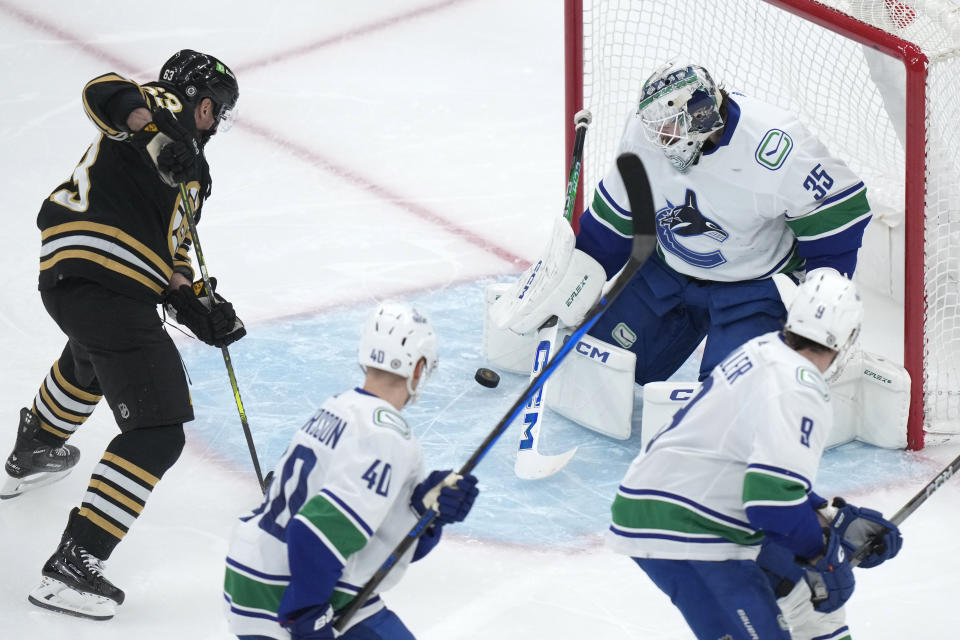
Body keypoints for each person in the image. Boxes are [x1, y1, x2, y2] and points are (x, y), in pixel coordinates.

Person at [0, 49, 246, 620]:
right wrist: (157, 135)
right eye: (218, 112)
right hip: (104, 278)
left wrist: (199, 306)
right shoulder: (164, 107)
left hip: (78, 277)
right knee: (158, 431)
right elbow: (105, 91)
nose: (215, 124)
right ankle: (73, 564)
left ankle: (35, 446)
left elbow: (170, 262)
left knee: (92, 357)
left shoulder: (192, 180)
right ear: (205, 103)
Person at [606, 270, 902, 639]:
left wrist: (830, 518)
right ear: (848, 337)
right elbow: (770, 504)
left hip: (666, 504)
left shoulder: (762, 351)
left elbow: (757, 471)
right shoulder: (802, 387)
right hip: (690, 527)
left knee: (810, 601)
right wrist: (821, 553)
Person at [223, 301, 480, 640]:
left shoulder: (338, 407)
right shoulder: (387, 436)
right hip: (291, 590)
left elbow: (359, 530)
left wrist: (421, 513)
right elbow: (316, 530)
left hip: (257, 576)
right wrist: (306, 615)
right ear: (418, 368)